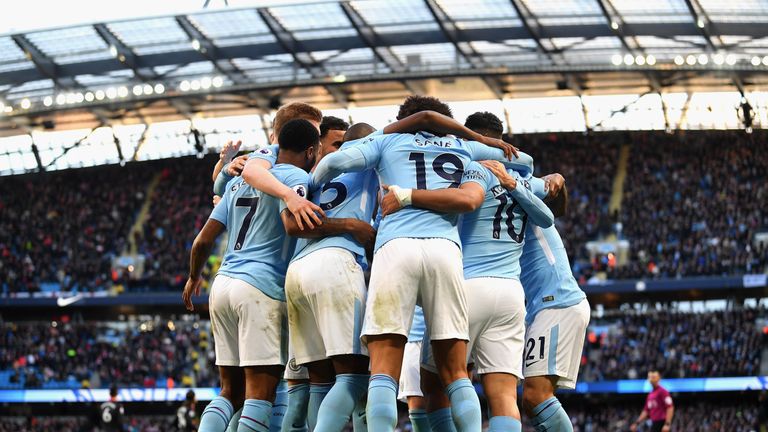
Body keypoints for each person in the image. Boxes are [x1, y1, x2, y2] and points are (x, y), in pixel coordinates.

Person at [311, 96, 533, 432]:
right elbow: (524, 162)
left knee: (384, 367)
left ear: (402, 119)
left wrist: (309, 187)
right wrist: (481, 141)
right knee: (456, 372)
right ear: (448, 122)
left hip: (396, 247)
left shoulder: (386, 140)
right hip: (445, 250)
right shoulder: (463, 145)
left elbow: (331, 165)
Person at [380, 110, 553, 432]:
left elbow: (462, 201)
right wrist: (553, 179)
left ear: (473, 139)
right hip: (510, 294)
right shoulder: (524, 181)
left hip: (468, 287)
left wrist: (406, 197)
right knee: (503, 395)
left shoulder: (466, 172)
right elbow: (549, 204)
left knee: (436, 383)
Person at [183, 118, 319, 432]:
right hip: (260, 289)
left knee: (230, 392)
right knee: (260, 395)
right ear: (311, 151)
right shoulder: (297, 178)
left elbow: (203, 240)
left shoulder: (237, 182)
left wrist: (193, 277)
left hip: (223, 284)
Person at [244, 122, 378, 432]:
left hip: (297, 272)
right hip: (335, 265)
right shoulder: (371, 164)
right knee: (355, 377)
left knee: (319, 381)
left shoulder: (308, 176)